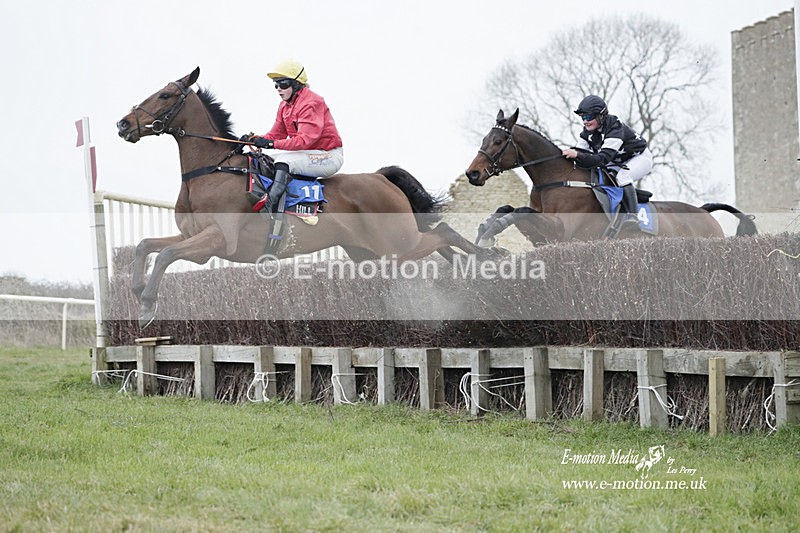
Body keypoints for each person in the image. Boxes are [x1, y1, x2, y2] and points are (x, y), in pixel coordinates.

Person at [243, 59, 344, 213]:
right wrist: (254, 140)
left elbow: (304, 140)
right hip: (308, 154)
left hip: (328, 156)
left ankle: (270, 205)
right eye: (276, 84)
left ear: (296, 84)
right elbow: (276, 135)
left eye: (283, 84)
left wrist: (270, 144)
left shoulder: (311, 102)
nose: (278, 89)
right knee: (265, 160)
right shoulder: (284, 106)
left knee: (283, 161)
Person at [561, 95, 652, 226]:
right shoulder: (587, 132)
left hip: (639, 158)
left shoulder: (615, 127)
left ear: (601, 115)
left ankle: (633, 216)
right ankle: (628, 196)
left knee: (623, 176)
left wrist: (577, 155)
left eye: (588, 117)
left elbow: (601, 159)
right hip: (616, 161)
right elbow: (580, 152)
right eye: (583, 117)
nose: (585, 121)